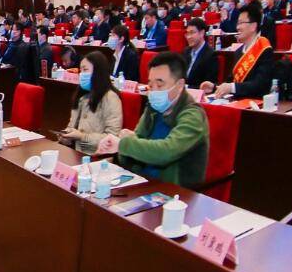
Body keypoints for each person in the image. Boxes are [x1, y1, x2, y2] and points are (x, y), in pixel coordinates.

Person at [107, 52, 208, 186]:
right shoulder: (153, 107)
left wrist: (123, 144)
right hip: (141, 180)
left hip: (175, 190)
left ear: (179, 85)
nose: (153, 91)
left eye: (160, 86)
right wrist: (125, 144)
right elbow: (137, 140)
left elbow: (167, 151)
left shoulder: (193, 115)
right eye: (150, 85)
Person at [207, 2, 278, 99]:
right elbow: (231, 81)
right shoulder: (238, 51)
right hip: (237, 102)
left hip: (255, 104)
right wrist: (215, 87)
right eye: (237, 23)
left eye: (241, 23)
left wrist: (232, 87)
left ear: (253, 26)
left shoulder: (264, 49)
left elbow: (260, 85)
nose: (237, 27)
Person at [58, 51, 122, 155]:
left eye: (85, 70)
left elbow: (112, 138)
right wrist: (66, 137)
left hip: (96, 155)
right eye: (81, 70)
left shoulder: (110, 98)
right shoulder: (81, 97)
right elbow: (71, 127)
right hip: (75, 152)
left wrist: (82, 137)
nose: (81, 74)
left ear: (98, 72)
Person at [183, 18, 218, 89]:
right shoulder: (186, 51)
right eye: (187, 33)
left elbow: (208, 86)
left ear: (202, 33)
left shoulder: (210, 55)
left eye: (192, 33)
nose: (188, 37)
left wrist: (187, 87)